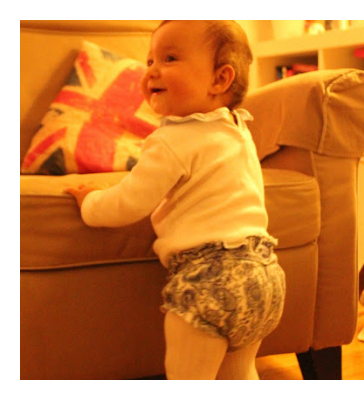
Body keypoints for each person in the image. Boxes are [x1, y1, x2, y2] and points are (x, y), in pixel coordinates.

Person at [64, 20, 283, 379]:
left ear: (220, 79)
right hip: (264, 276)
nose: (151, 70)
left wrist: (90, 202)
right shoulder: (236, 129)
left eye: (169, 59)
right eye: (150, 60)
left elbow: (129, 202)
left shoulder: (172, 140)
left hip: (210, 279)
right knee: (240, 376)